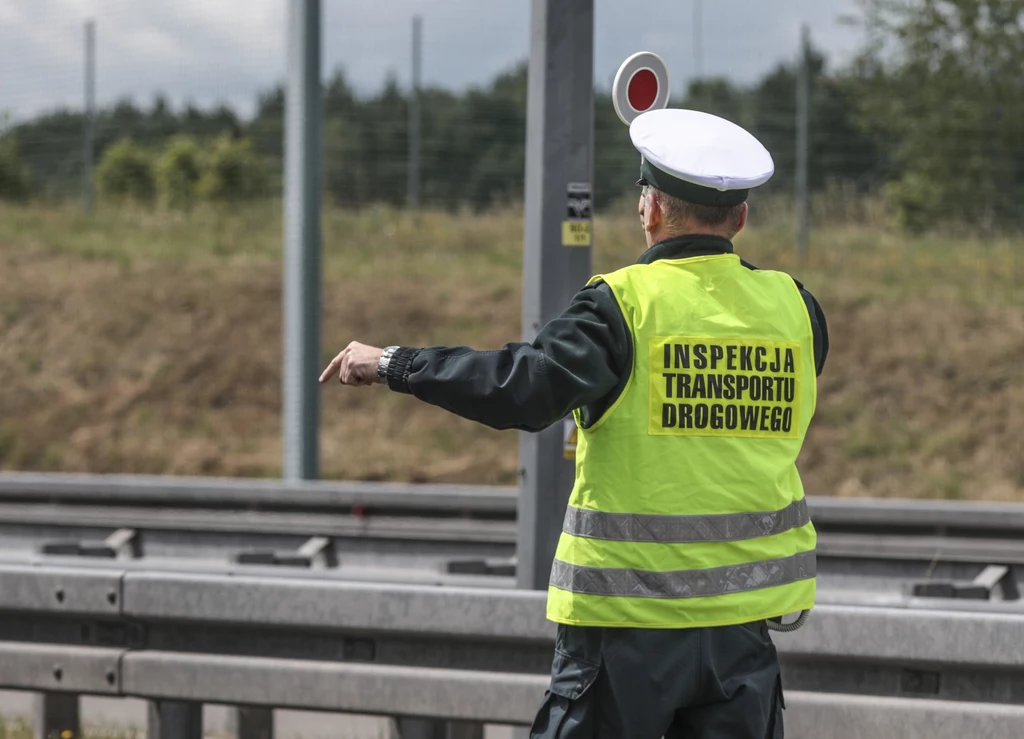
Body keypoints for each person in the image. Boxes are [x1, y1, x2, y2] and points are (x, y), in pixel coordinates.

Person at [320, 108, 828, 739]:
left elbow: (521, 389)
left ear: (650, 210)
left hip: (625, 637)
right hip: (743, 639)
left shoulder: (621, 307)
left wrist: (395, 364)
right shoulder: (797, 311)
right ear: (741, 217)